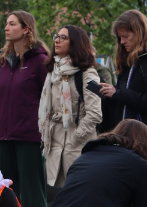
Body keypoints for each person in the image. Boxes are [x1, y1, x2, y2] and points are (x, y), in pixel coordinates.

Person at [0, 10, 49, 207]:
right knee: (7, 191)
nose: (6, 27)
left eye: (12, 24)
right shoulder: (3, 61)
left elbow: (48, 99)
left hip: (29, 134)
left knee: (32, 190)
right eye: (6, 24)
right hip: (4, 134)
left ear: (26, 28)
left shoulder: (40, 60)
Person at [38, 24, 102, 189]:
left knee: (82, 195)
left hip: (78, 146)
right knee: (62, 198)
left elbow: (95, 113)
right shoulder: (53, 72)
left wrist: (77, 138)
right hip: (55, 145)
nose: (56, 41)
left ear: (75, 43)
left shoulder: (88, 73)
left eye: (63, 37)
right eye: (56, 36)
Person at [99, 9, 147, 159]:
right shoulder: (128, 62)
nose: (122, 42)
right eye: (120, 37)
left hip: (146, 142)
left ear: (139, 33)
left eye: (126, 36)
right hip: (127, 140)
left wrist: (118, 93)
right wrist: (107, 96)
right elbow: (124, 102)